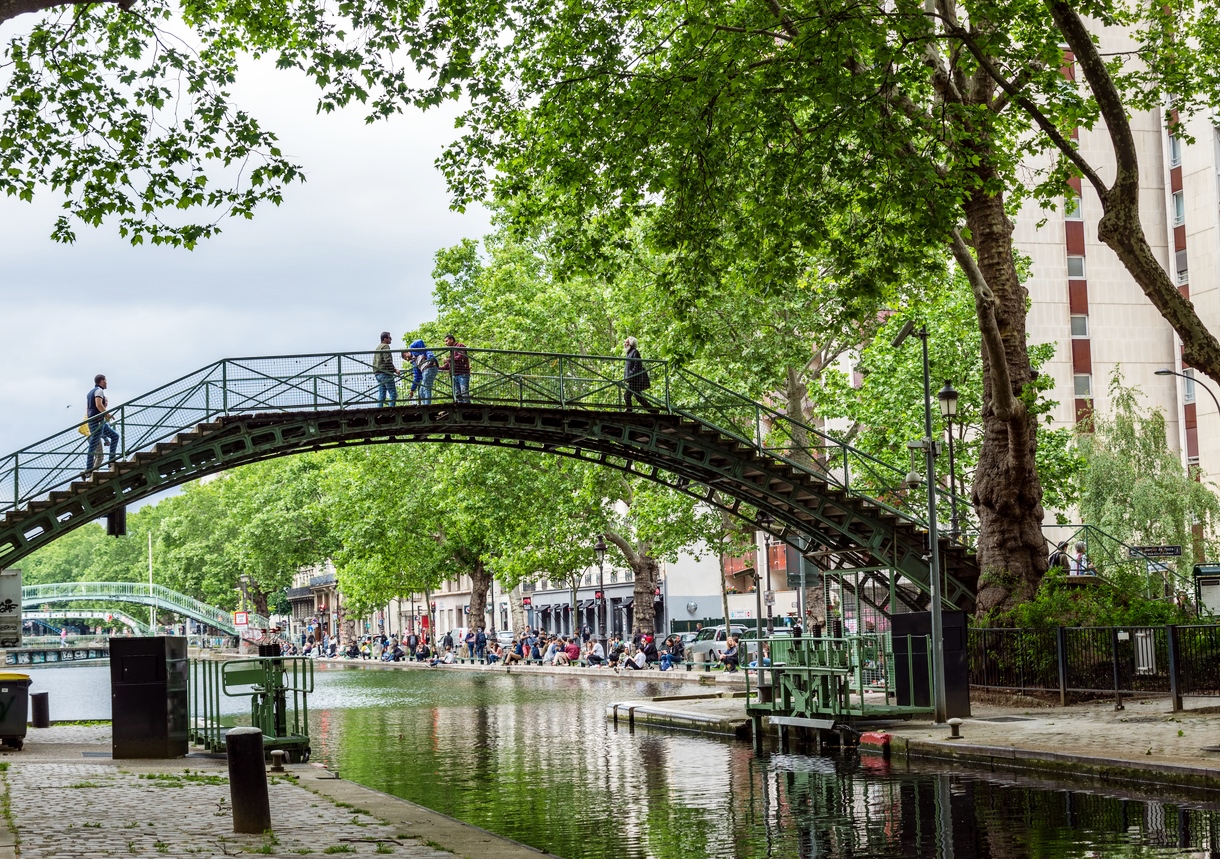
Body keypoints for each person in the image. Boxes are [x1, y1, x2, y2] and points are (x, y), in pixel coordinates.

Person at [85, 374, 121, 474]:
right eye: (105, 381)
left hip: (96, 420)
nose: (106, 383)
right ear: (101, 381)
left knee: (115, 436)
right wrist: (107, 414)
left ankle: (111, 461)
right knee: (93, 445)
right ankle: (88, 470)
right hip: (96, 421)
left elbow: (88, 408)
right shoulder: (99, 391)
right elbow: (98, 404)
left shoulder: (90, 393)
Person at [404, 340, 441, 405]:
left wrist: (424, 353)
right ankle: (425, 405)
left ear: (407, 352)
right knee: (421, 392)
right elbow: (417, 377)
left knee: (426, 388)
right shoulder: (414, 363)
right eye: (405, 359)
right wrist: (412, 390)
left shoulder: (413, 349)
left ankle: (427, 406)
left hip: (430, 366)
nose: (406, 359)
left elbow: (420, 341)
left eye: (405, 356)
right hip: (425, 371)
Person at [440, 333, 472, 404]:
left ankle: (467, 407)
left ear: (451, 340)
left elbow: (461, 356)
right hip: (454, 374)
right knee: (457, 393)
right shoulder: (451, 351)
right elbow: (448, 365)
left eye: (446, 341)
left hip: (462, 373)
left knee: (464, 391)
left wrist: (448, 359)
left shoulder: (460, 346)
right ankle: (461, 408)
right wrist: (437, 367)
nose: (446, 343)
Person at [622, 336, 651, 411]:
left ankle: (629, 410)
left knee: (627, 395)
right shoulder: (629, 353)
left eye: (626, 342)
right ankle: (653, 410)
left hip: (635, 379)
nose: (624, 344)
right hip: (632, 379)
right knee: (638, 397)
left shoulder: (635, 352)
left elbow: (637, 365)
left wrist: (631, 375)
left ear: (631, 344)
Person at [372, 331, 399, 407]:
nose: (391, 339)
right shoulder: (385, 346)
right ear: (385, 339)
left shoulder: (378, 347)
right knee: (393, 393)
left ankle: (379, 410)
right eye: (389, 337)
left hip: (377, 373)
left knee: (382, 394)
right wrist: (394, 370)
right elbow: (387, 360)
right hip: (385, 372)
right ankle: (391, 410)